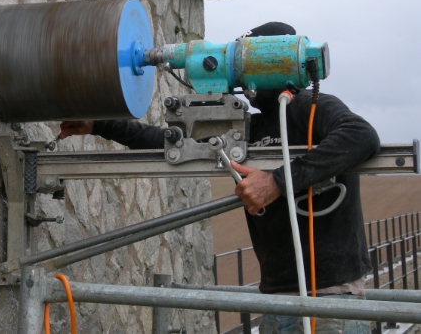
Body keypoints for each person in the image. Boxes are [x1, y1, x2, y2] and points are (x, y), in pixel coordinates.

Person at [58, 22, 380, 334]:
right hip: (279, 294)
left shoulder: (311, 107)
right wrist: (100, 124)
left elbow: (361, 135)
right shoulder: (254, 127)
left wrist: (276, 182)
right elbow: (173, 142)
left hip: (330, 294)